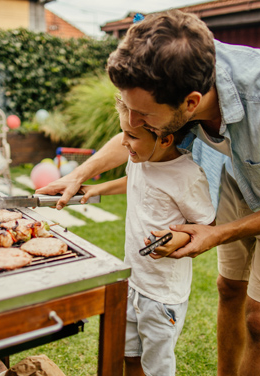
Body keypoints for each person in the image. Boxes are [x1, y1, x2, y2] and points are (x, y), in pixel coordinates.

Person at [36, 10, 260, 376]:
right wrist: (79, 174)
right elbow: (136, 136)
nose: (130, 122)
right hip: (235, 179)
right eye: (127, 108)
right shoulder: (171, 78)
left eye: (142, 115)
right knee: (228, 289)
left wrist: (219, 232)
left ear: (190, 104)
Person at [78, 98, 215, 376]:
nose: (124, 142)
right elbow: (133, 182)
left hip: (162, 295)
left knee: (156, 368)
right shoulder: (140, 159)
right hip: (132, 281)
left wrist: (177, 240)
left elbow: (206, 225)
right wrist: (98, 188)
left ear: (164, 140)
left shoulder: (187, 176)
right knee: (130, 355)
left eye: (131, 136)